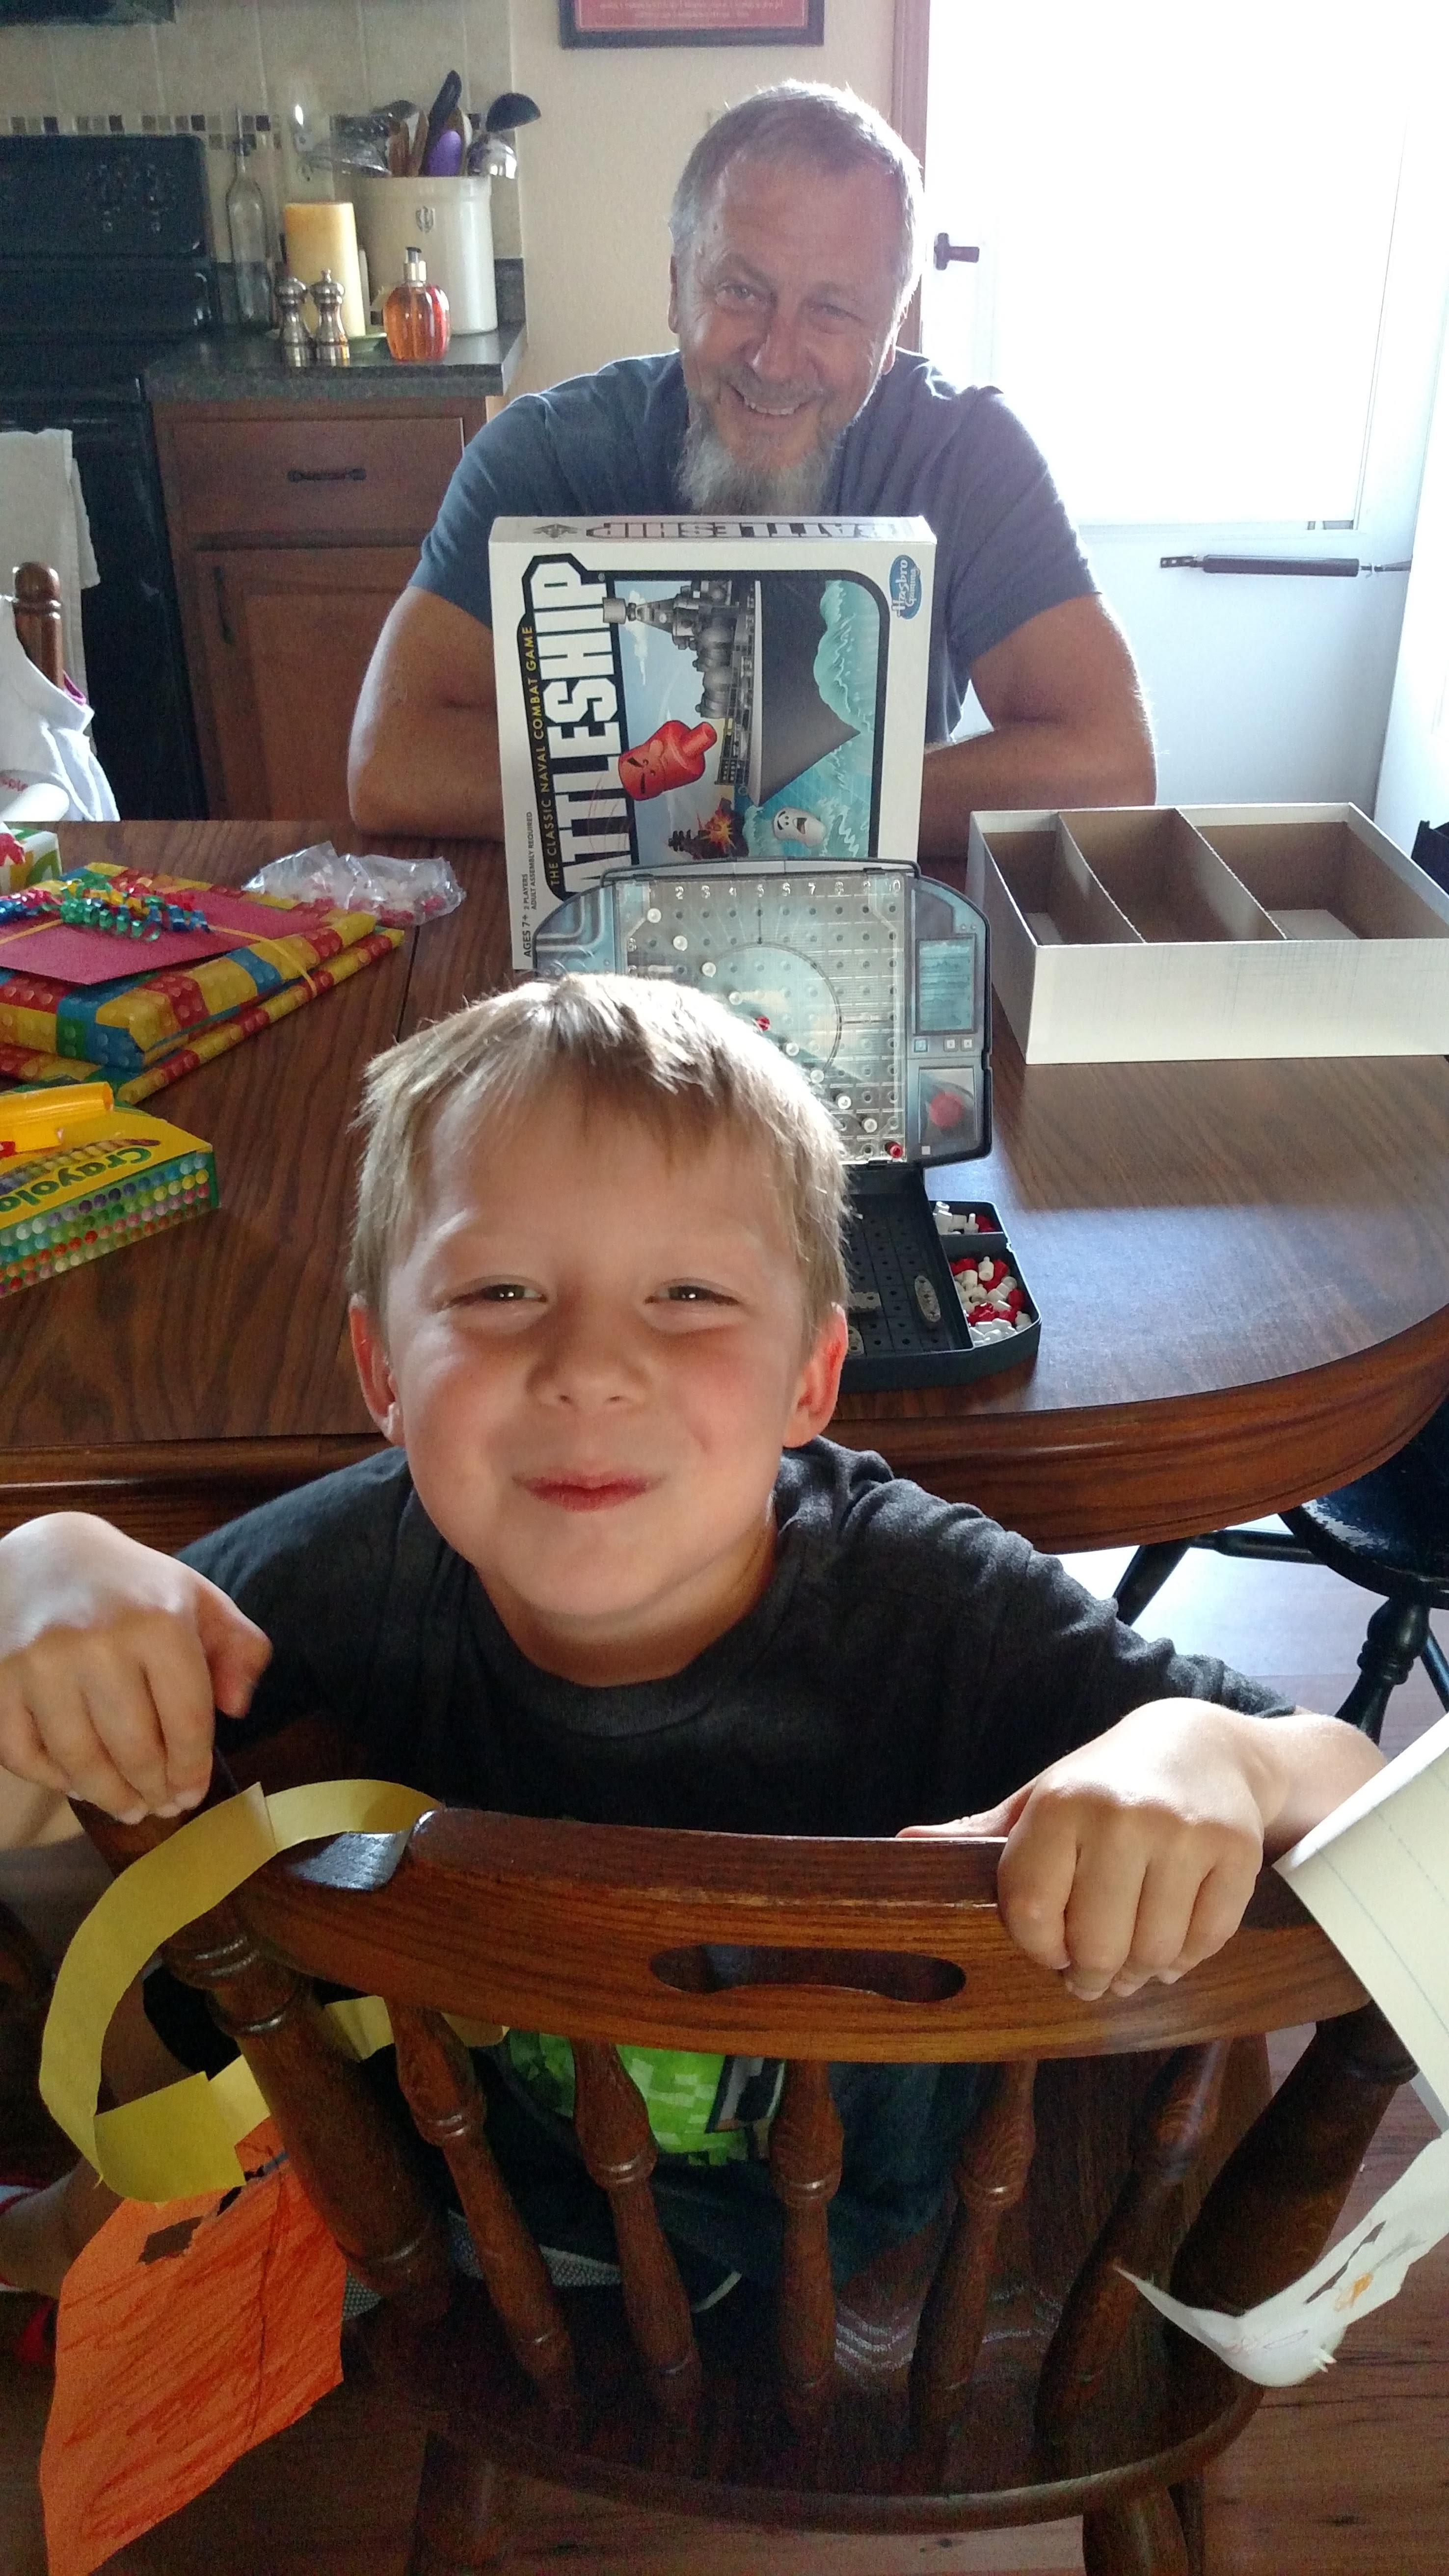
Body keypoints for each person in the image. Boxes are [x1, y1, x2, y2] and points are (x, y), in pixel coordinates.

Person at [0, 976, 1376, 2303]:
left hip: (827, 2238)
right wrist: (39, 1577)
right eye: (499, 1295)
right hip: (432, 2185)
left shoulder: (932, 1605)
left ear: (813, 1379)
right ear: (381, 1374)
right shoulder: (338, 1563)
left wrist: (1219, 1760)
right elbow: (36, 1800)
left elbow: (1364, 1795)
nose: (592, 1364)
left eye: (690, 1298)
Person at [349, 84, 1155, 856]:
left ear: (894, 320)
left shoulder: (968, 451)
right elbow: (392, 761)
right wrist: (710, 802)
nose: (776, 358)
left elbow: (1111, 766)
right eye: (740, 290)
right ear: (676, 286)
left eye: (833, 310)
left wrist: (799, 808)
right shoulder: (545, 454)